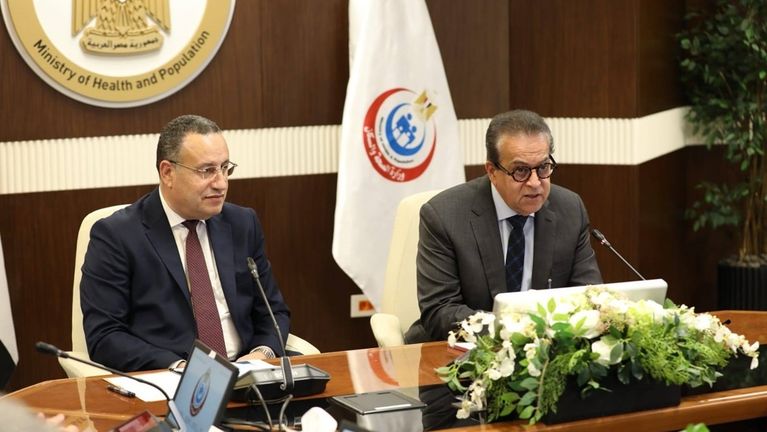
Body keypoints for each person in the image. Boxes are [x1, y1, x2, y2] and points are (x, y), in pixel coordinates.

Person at [81, 114, 290, 371]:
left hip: (248, 372)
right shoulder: (117, 235)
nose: (221, 183)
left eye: (225, 168)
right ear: (167, 172)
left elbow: (273, 312)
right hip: (170, 378)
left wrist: (261, 355)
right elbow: (105, 336)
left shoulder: (242, 223)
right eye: (207, 171)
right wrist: (180, 368)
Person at [406, 109, 602, 342]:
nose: (535, 183)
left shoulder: (569, 209)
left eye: (543, 167)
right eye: (520, 171)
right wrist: (517, 330)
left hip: (546, 351)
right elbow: (440, 311)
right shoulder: (444, 216)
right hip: (458, 350)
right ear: (492, 171)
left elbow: (589, 296)